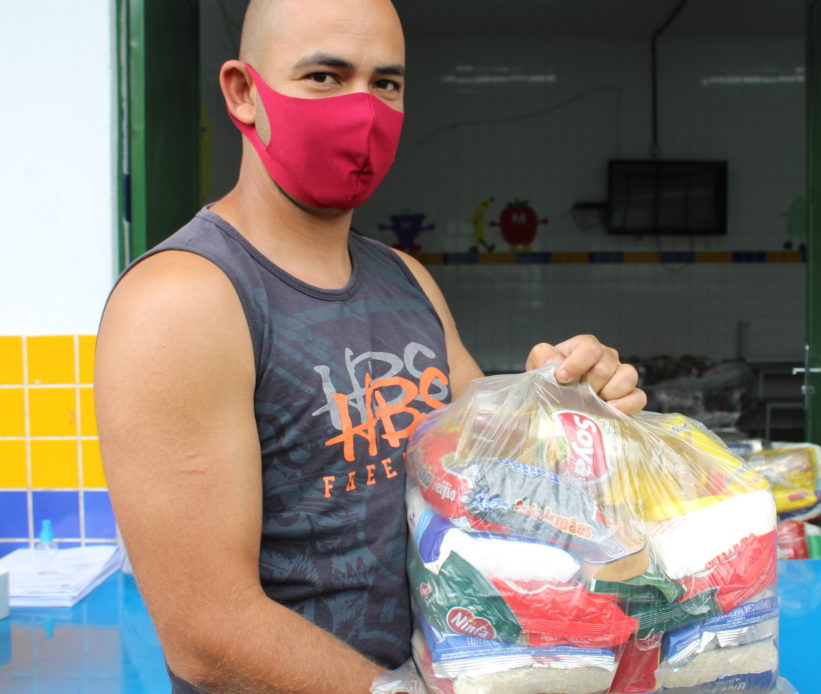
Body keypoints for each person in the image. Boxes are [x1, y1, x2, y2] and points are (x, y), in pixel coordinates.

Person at [94, 1, 645, 692]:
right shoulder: (183, 299)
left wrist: (557, 404)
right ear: (243, 93)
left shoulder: (405, 279)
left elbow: (483, 480)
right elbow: (208, 632)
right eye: (324, 76)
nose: (362, 110)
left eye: (385, 83)